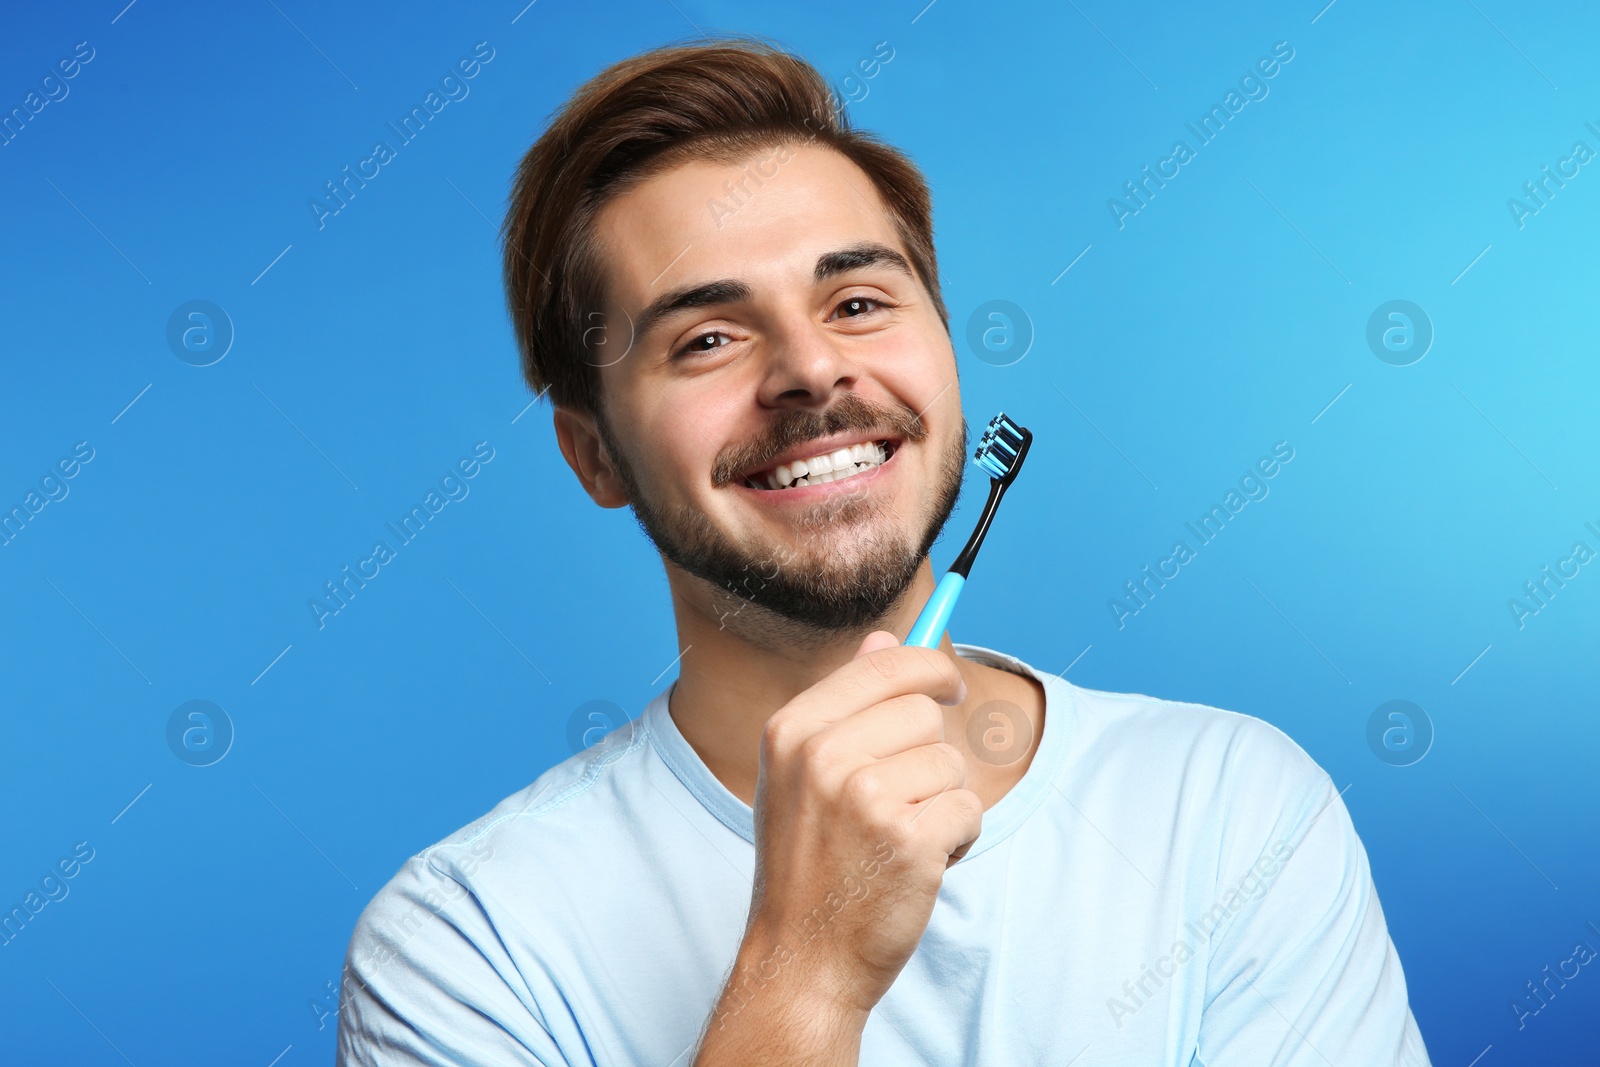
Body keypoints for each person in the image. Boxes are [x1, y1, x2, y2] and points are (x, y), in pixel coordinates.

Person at [336, 37, 1431, 1066]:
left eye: (857, 300)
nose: (811, 368)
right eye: (706, 337)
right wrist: (804, 970)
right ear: (594, 455)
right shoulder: (464, 943)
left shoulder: (1228, 810)